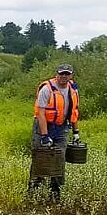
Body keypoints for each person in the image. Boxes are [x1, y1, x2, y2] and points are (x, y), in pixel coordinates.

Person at [29, 63, 80, 201]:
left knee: (60, 157)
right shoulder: (47, 89)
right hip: (43, 126)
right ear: (56, 74)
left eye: (67, 74)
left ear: (71, 75)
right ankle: (34, 190)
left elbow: (74, 111)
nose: (63, 76)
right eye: (61, 73)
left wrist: (76, 132)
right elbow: (40, 113)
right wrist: (45, 136)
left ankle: (55, 193)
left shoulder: (73, 89)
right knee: (41, 156)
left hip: (62, 128)